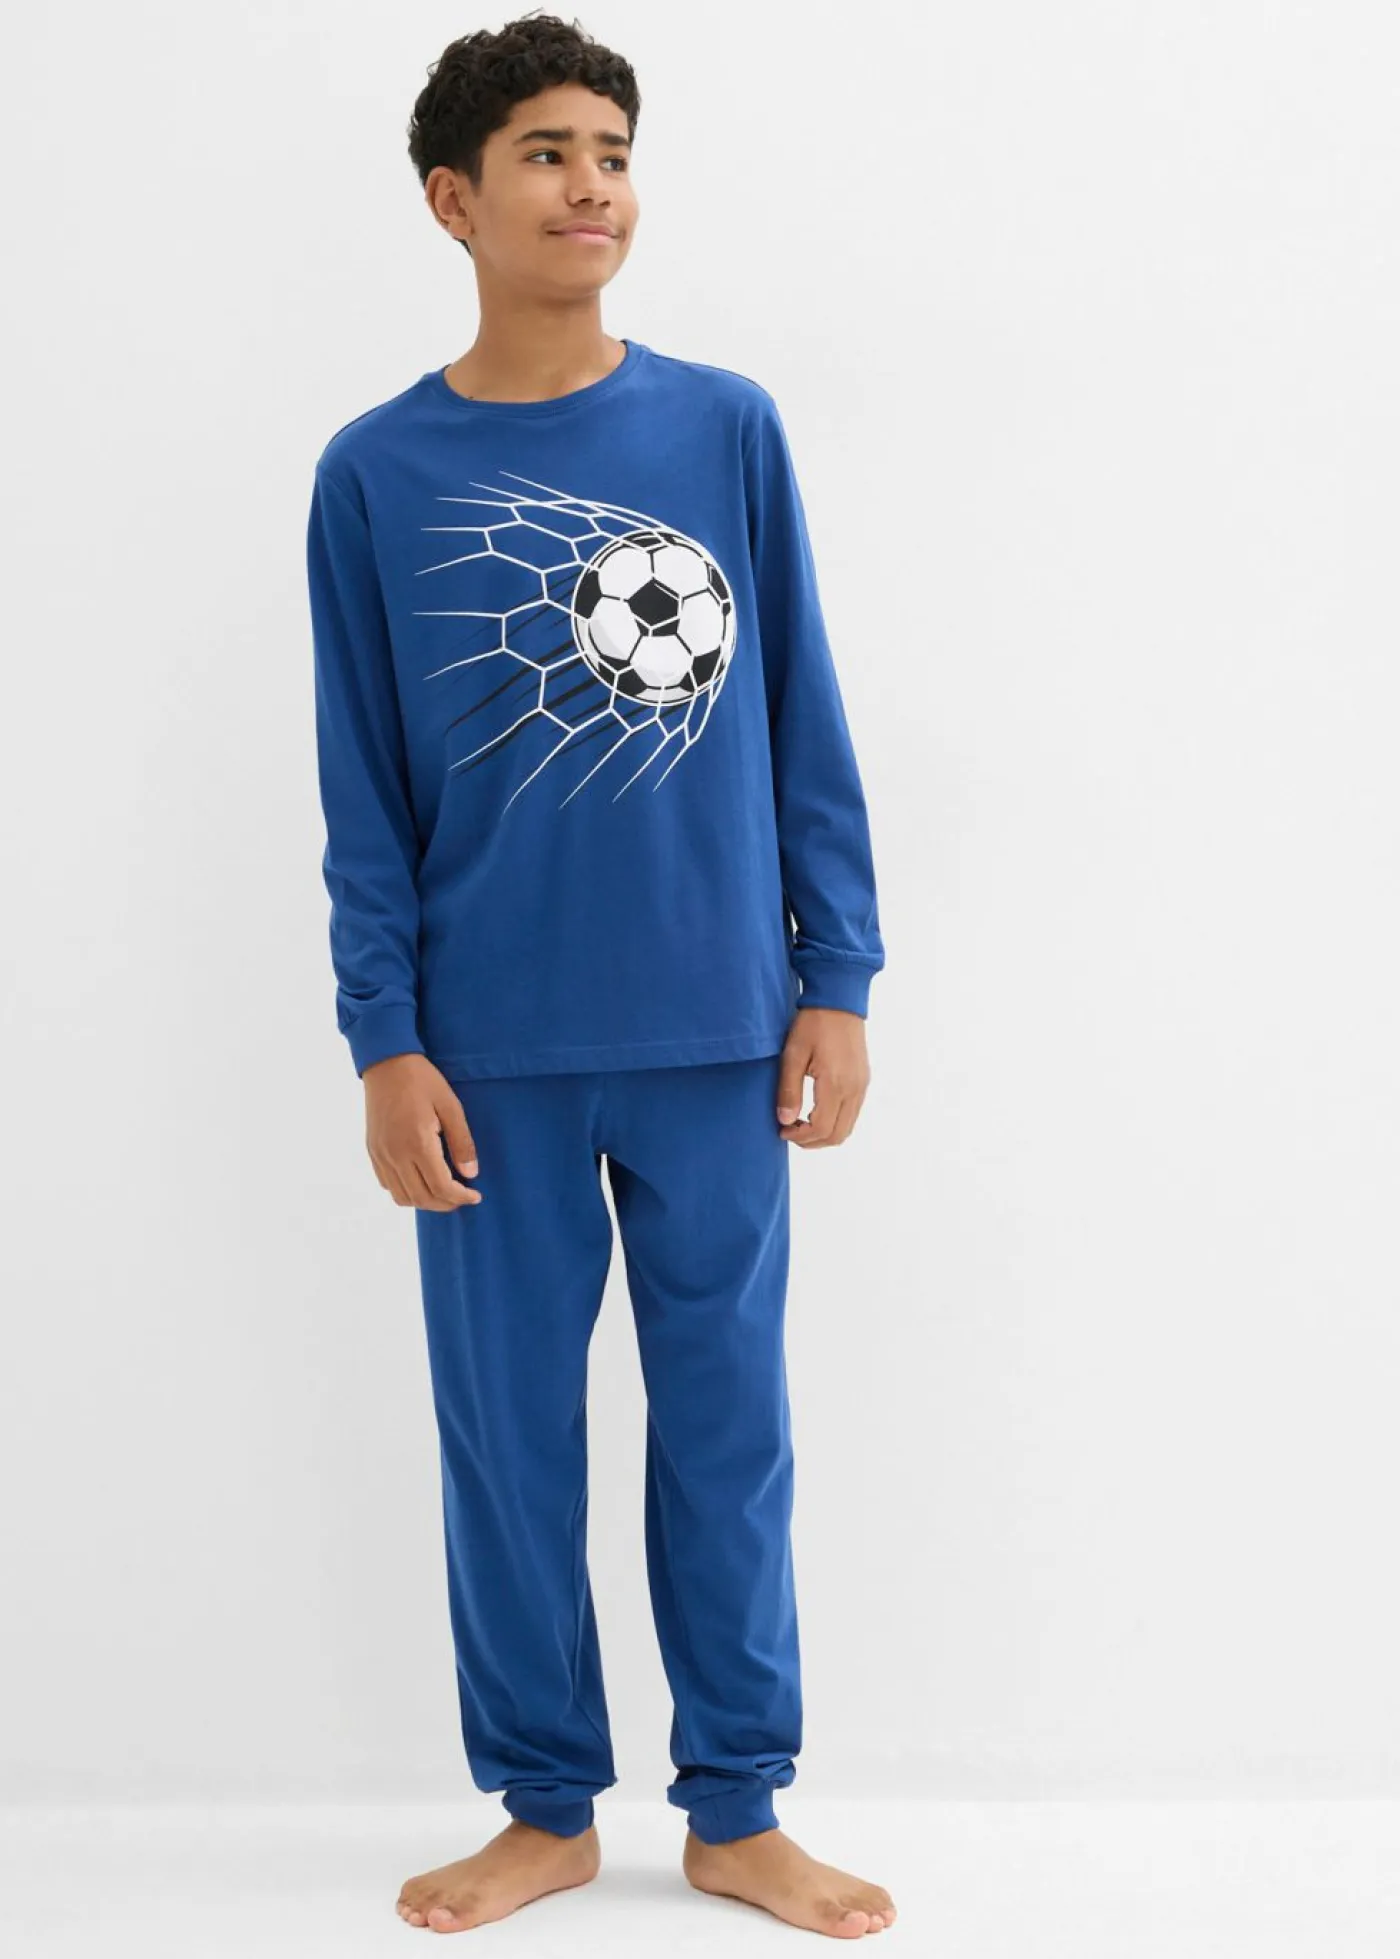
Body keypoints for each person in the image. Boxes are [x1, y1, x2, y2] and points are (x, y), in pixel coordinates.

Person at [305, 11, 894, 1940]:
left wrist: (837, 973)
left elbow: (804, 713)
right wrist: (385, 1037)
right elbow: (363, 786)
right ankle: (545, 1802)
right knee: (508, 1446)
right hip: (489, 1056)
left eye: (615, 152)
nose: (593, 186)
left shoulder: (724, 428)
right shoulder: (375, 474)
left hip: (720, 1031)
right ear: (452, 200)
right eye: (548, 154)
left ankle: (738, 1804)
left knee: (729, 1435)